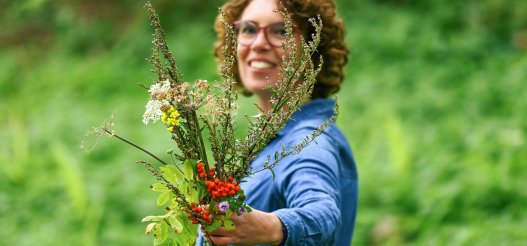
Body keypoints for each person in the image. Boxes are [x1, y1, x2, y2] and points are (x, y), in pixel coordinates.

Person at [197, 0, 358, 245]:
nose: (259, 43)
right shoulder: (273, 137)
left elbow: (323, 214)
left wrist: (273, 227)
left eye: (281, 30)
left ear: (314, 48)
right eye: (249, 29)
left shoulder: (309, 143)